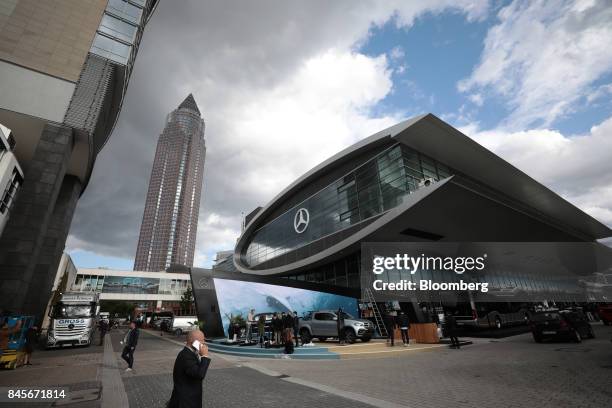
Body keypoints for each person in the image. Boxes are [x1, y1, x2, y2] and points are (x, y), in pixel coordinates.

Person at [168, 330, 211, 408]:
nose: (204, 343)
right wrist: (205, 356)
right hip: (185, 402)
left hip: (188, 399)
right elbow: (199, 374)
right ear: (194, 342)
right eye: (202, 341)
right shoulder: (186, 356)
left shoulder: (190, 353)